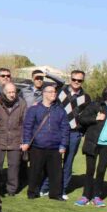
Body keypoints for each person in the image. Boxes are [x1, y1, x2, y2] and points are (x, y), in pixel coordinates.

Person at [42, 70, 91, 200]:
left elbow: (86, 116)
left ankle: (62, 189)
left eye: (79, 80)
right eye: (74, 79)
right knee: (53, 161)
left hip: (74, 133)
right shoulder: (60, 91)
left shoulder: (86, 97)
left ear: (82, 81)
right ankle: (45, 187)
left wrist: (81, 131)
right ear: (70, 79)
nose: (76, 82)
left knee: (68, 163)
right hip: (57, 131)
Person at [74, 86, 107, 207]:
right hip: (93, 142)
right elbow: (81, 119)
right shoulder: (96, 105)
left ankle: (96, 197)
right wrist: (96, 118)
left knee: (101, 171)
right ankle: (85, 196)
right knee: (90, 170)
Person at [22, 84, 70, 201]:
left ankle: (55, 194)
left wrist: (63, 145)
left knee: (56, 173)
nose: (54, 94)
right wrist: (26, 142)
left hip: (55, 147)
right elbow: (28, 127)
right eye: (51, 92)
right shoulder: (34, 109)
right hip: (37, 146)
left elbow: (65, 128)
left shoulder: (60, 111)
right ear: (44, 93)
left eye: (55, 92)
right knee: (35, 171)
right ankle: (32, 192)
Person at [0, 83, 26, 196]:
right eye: (9, 92)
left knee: (14, 166)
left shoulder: (22, 103)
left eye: (14, 92)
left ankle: (11, 189)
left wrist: (23, 140)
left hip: (16, 139)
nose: (12, 94)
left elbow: (24, 123)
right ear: (4, 92)